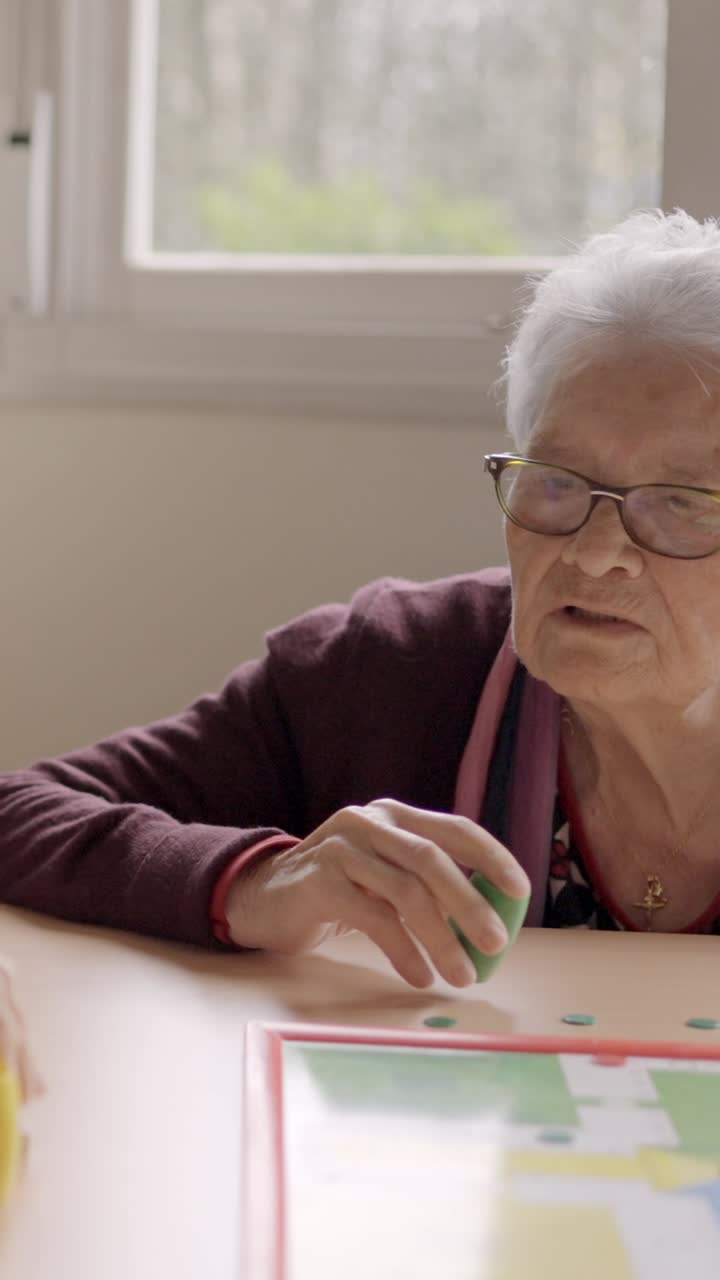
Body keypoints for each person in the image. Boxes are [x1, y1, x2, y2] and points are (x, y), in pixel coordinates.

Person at [2, 207, 720, 989]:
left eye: (681, 502)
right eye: (556, 481)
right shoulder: (391, 665)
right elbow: (19, 812)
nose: (594, 551)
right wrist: (256, 880)